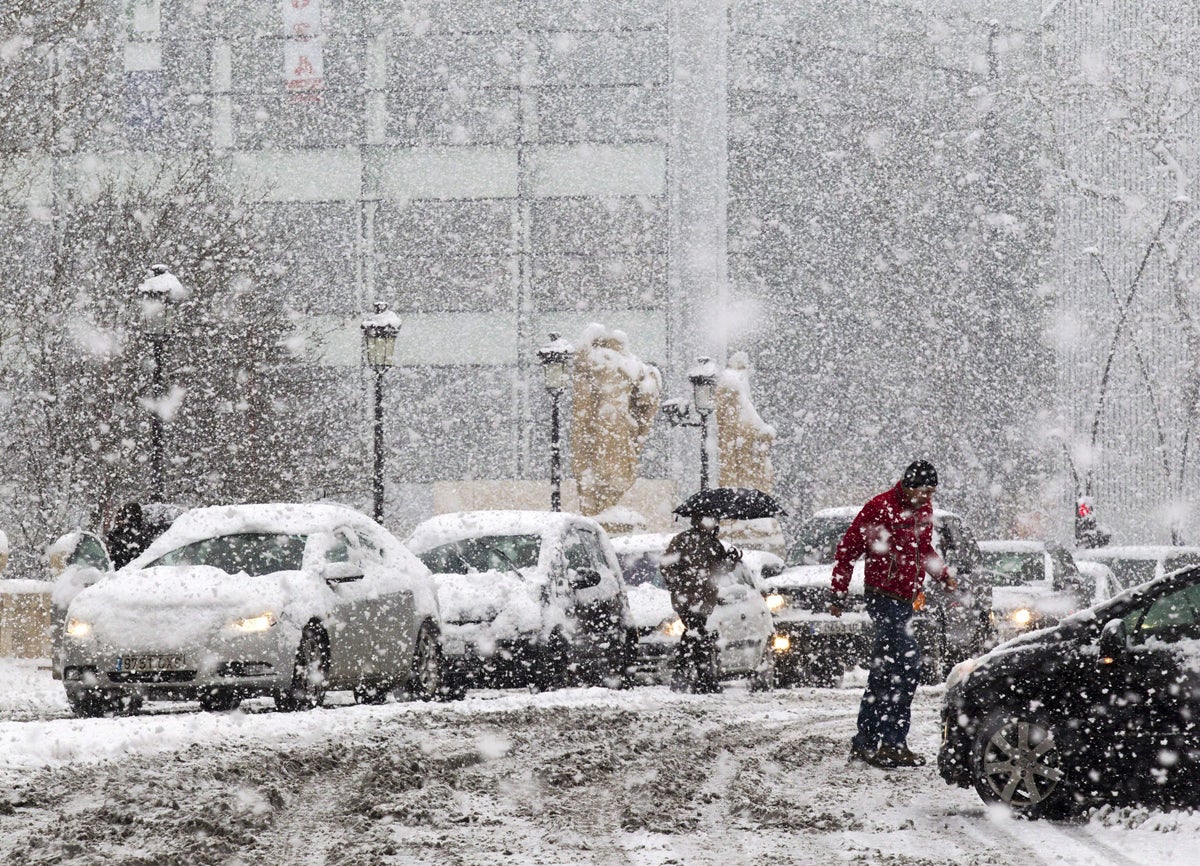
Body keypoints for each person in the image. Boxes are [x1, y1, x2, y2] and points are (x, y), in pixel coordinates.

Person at [829, 460, 957, 768]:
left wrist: (943, 575)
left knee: (888, 671)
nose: (927, 498)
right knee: (906, 665)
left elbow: (924, 550)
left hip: (907, 598)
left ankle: (877, 742)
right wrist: (838, 592)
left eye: (932, 492)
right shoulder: (880, 508)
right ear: (909, 486)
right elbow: (848, 548)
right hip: (883, 596)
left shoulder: (923, 511)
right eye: (923, 491)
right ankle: (885, 741)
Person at [660, 513, 740, 694]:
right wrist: (680, 584)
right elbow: (666, 566)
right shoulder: (682, 540)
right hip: (687, 599)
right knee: (696, 634)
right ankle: (703, 679)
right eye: (710, 520)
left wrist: (731, 560)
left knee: (693, 635)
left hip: (704, 599)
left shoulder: (714, 544)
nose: (713, 524)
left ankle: (686, 679)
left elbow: (721, 571)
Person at [106, 502, 150, 570]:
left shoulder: (131, 534)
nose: (119, 521)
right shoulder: (120, 532)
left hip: (128, 571)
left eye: (120, 518)